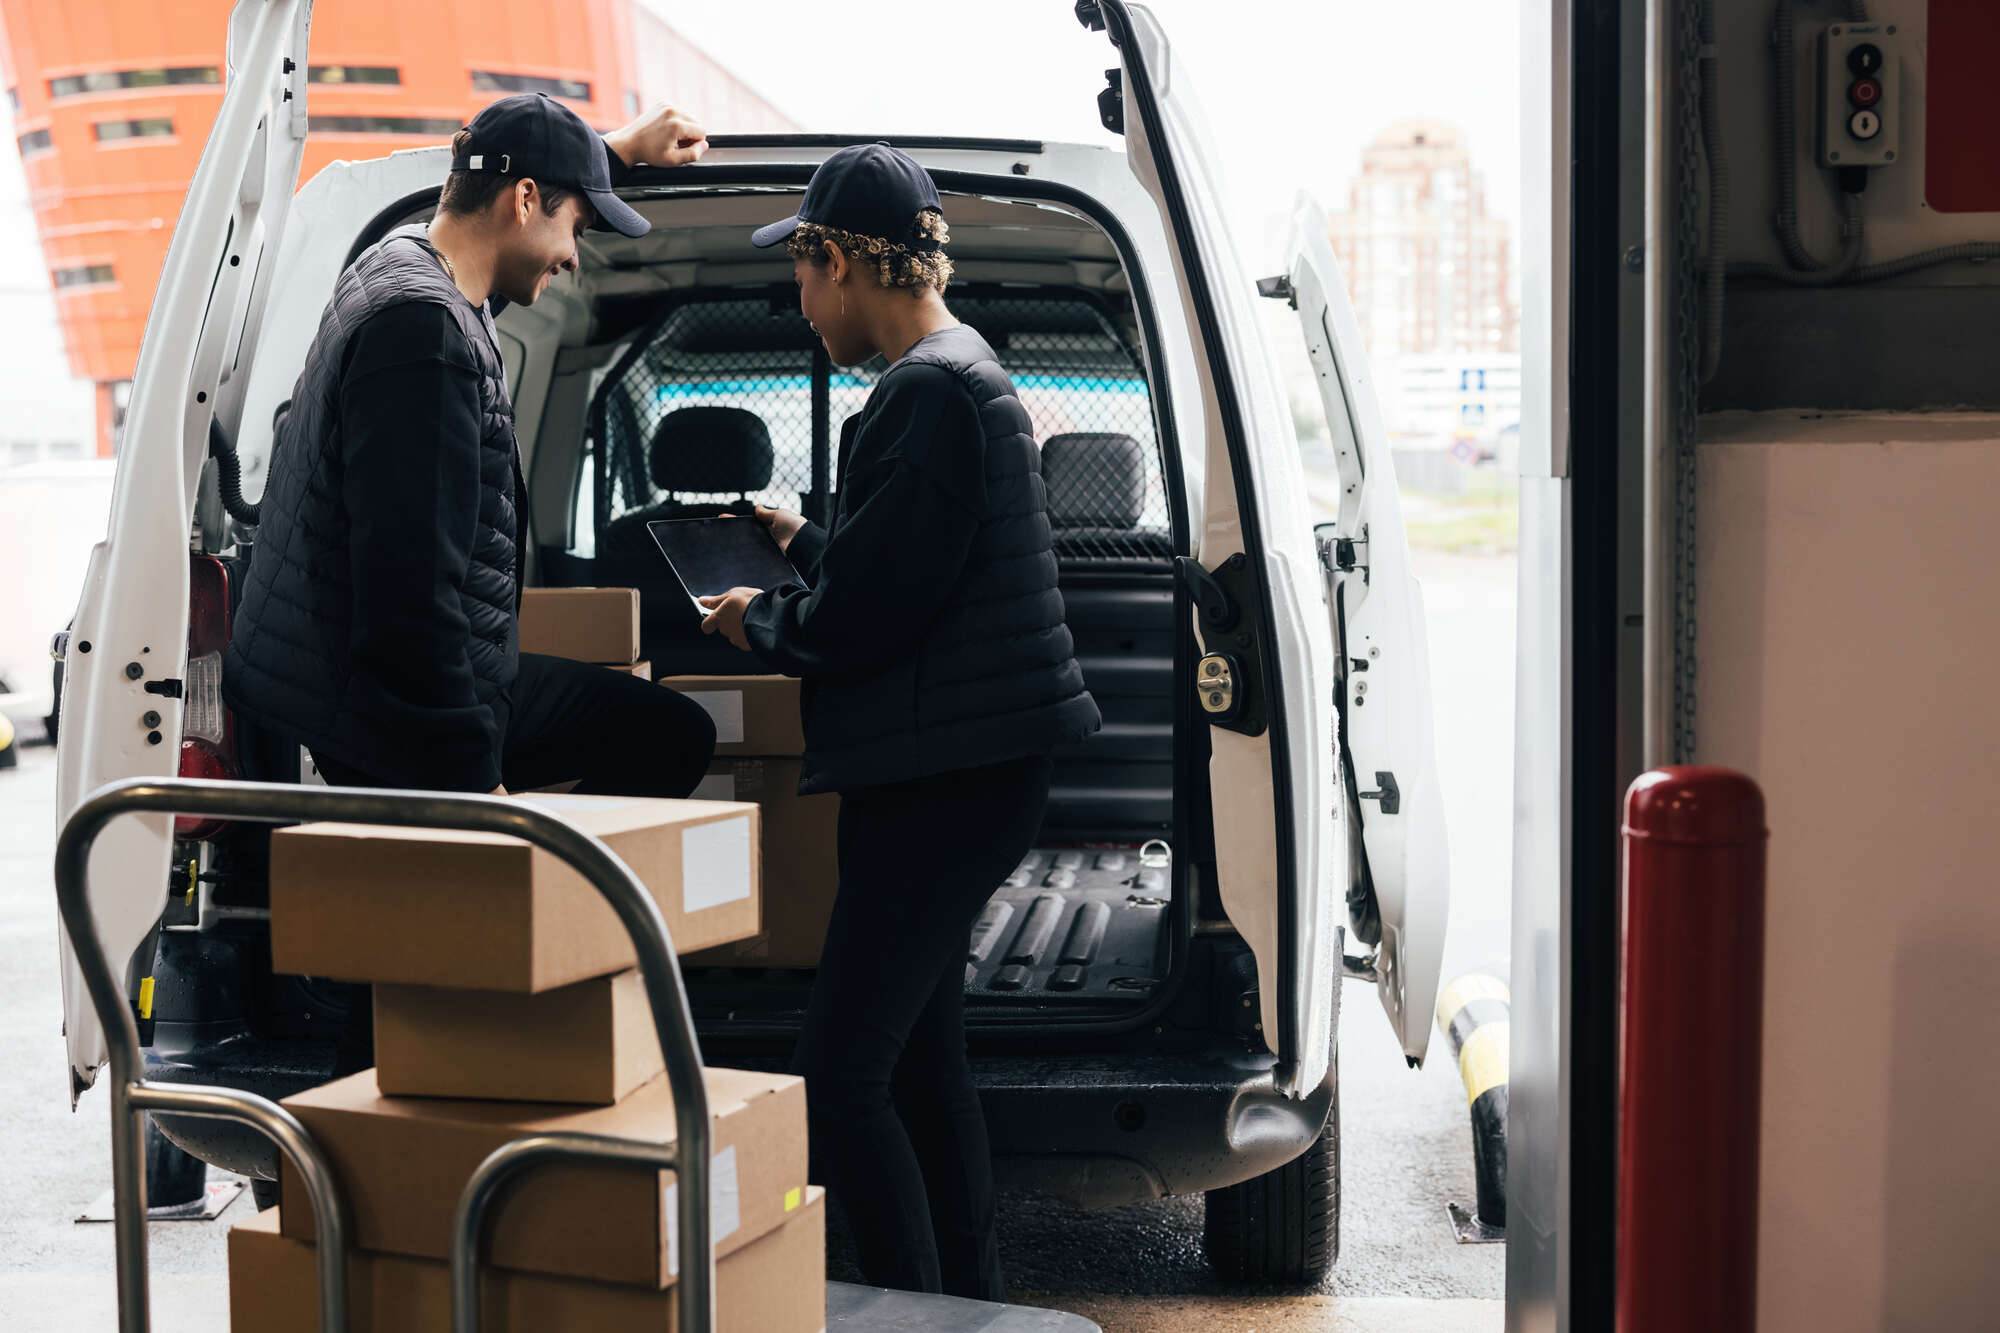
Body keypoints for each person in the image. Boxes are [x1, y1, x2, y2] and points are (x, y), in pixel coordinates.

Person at [698, 142, 1102, 1301]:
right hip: (962, 767)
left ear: (838, 261)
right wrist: (799, 542)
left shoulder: (924, 392)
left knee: (838, 1070)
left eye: (801, 273)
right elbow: (909, 571)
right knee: (921, 1060)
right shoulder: (959, 370)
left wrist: (754, 624)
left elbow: (862, 620)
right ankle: (959, 1299)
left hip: (947, 779)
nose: (800, 300)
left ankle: (908, 1303)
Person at [224, 92, 717, 802]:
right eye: (575, 226)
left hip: (397, 681)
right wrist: (474, 780)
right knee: (671, 738)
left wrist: (605, 156)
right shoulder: (425, 338)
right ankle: (551, 899)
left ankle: (554, 893)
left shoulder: (400, 267)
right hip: (378, 711)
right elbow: (409, 600)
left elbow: (516, 201)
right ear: (523, 198)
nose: (574, 258)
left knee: (671, 731)